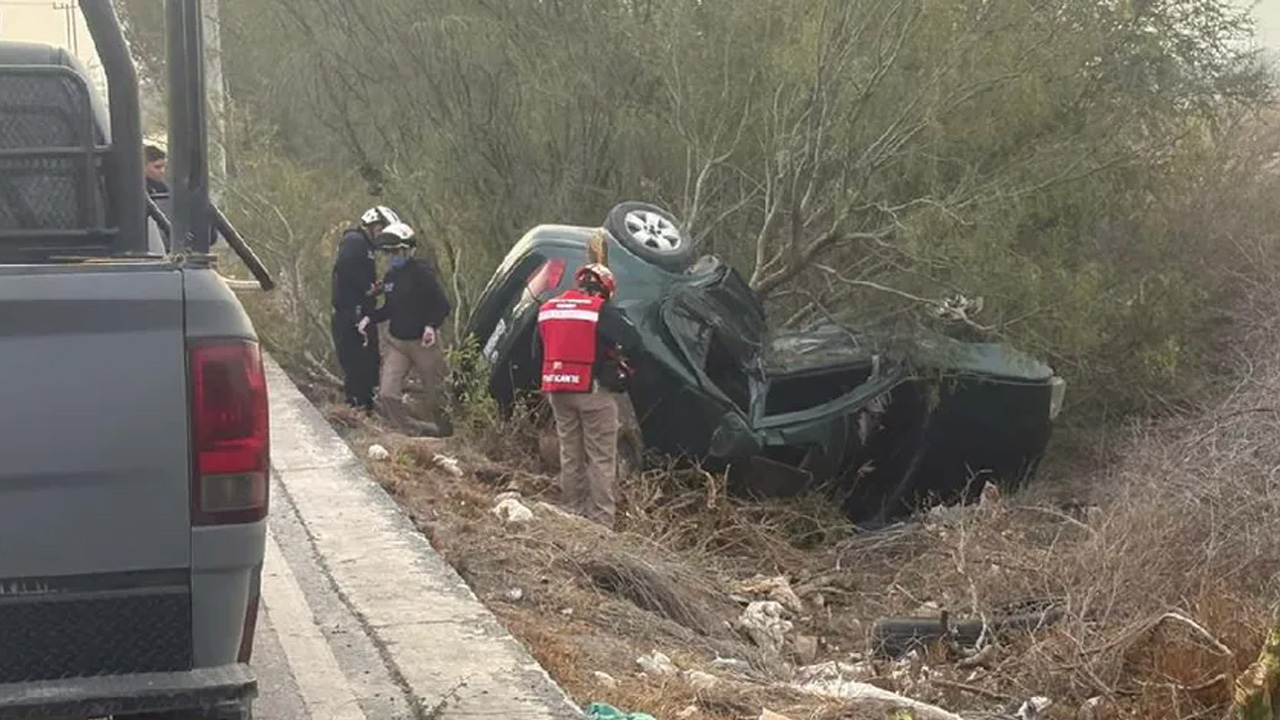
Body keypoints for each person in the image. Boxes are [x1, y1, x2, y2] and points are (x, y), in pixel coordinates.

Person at [535, 263, 640, 529]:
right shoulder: (599, 311)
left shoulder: (548, 308)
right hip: (592, 393)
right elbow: (635, 341)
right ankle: (601, 522)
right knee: (601, 457)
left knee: (570, 452)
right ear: (604, 290)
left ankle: (571, 511)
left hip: (557, 391)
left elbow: (536, 352)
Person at [358, 222, 453, 436]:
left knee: (437, 394)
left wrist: (431, 326)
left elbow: (442, 305)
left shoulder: (422, 274)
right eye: (389, 252)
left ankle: (448, 433)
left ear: (408, 250)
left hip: (423, 342)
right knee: (388, 393)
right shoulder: (391, 277)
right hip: (397, 343)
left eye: (396, 251)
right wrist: (369, 318)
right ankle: (406, 433)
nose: (392, 256)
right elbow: (390, 309)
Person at [332, 205, 400, 411]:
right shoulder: (355, 241)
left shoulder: (364, 246)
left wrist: (370, 291)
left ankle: (365, 405)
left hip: (358, 311)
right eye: (382, 230)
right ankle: (357, 408)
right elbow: (345, 271)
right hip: (352, 313)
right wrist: (365, 290)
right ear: (373, 225)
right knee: (358, 364)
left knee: (369, 363)